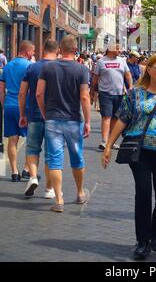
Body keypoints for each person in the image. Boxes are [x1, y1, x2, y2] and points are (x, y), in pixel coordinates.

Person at [102, 53, 156, 260]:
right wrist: (109, 146)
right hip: (141, 152)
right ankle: (143, 241)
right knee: (144, 193)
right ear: (149, 70)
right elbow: (122, 120)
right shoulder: (135, 94)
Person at [36, 35, 91, 212]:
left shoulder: (48, 67)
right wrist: (88, 121)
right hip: (74, 119)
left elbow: (38, 94)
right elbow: (84, 96)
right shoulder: (81, 69)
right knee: (77, 156)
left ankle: (59, 200)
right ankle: (80, 192)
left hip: (52, 119)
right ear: (75, 50)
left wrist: (45, 113)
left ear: (60, 48)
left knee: (54, 160)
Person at [18, 40, 59, 198]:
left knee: (32, 149)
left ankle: (33, 177)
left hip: (34, 115)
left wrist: (23, 114)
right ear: (57, 50)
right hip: (54, 117)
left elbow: (22, 93)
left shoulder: (32, 67)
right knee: (51, 153)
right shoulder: (59, 67)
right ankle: (49, 189)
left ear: (43, 49)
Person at [0, 41, 35, 181]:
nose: (33, 54)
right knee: (30, 140)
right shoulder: (30, 66)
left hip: (9, 106)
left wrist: (4, 105)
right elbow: (32, 89)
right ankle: (27, 169)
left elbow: (1, 89)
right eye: (32, 51)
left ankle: (14, 172)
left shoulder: (7, 66)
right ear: (27, 51)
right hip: (25, 106)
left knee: (12, 140)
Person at [93, 43, 133, 150]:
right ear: (110, 49)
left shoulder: (122, 61)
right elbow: (95, 78)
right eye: (117, 48)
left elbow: (128, 75)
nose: (119, 50)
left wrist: (130, 87)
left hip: (119, 94)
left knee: (115, 118)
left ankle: (112, 141)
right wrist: (92, 92)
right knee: (106, 117)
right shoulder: (101, 62)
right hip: (105, 94)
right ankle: (104, 141)